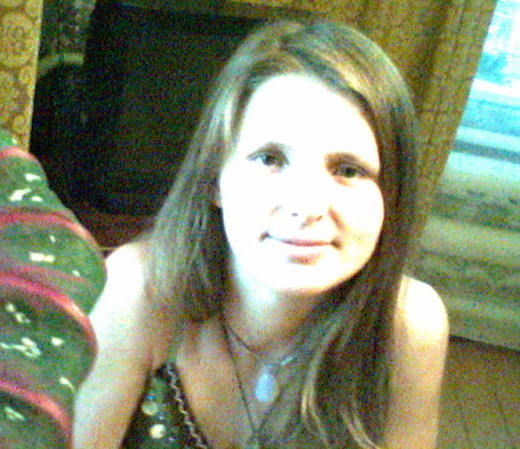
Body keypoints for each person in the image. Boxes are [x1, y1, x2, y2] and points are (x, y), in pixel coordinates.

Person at [73, 18, 449, 449]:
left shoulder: (408, 326)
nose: (306, 206)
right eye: (270, 159)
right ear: (214, 179)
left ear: (391, 196)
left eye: (348, 170)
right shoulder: (138, 290)